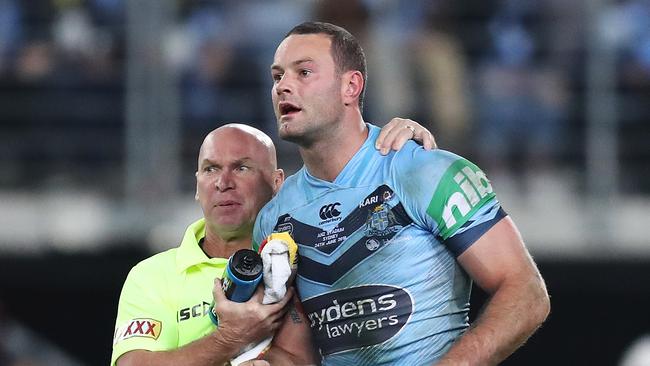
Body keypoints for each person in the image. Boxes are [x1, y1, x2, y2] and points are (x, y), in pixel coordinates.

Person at [253, 21, 550, 365]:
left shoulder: (425, 171)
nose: (283, 86)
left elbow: (526, 292)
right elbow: (296, 350)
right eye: (277, 77)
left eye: (303, 72)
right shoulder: (274, 219)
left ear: (351, 86)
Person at [110, 119, 436, 366]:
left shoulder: (311, 253)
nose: (223, 183)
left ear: (277, 182)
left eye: (241, 168)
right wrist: (230, 339)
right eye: (210, 169)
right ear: (197, 186)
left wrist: (406, 148)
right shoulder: (152, 275)